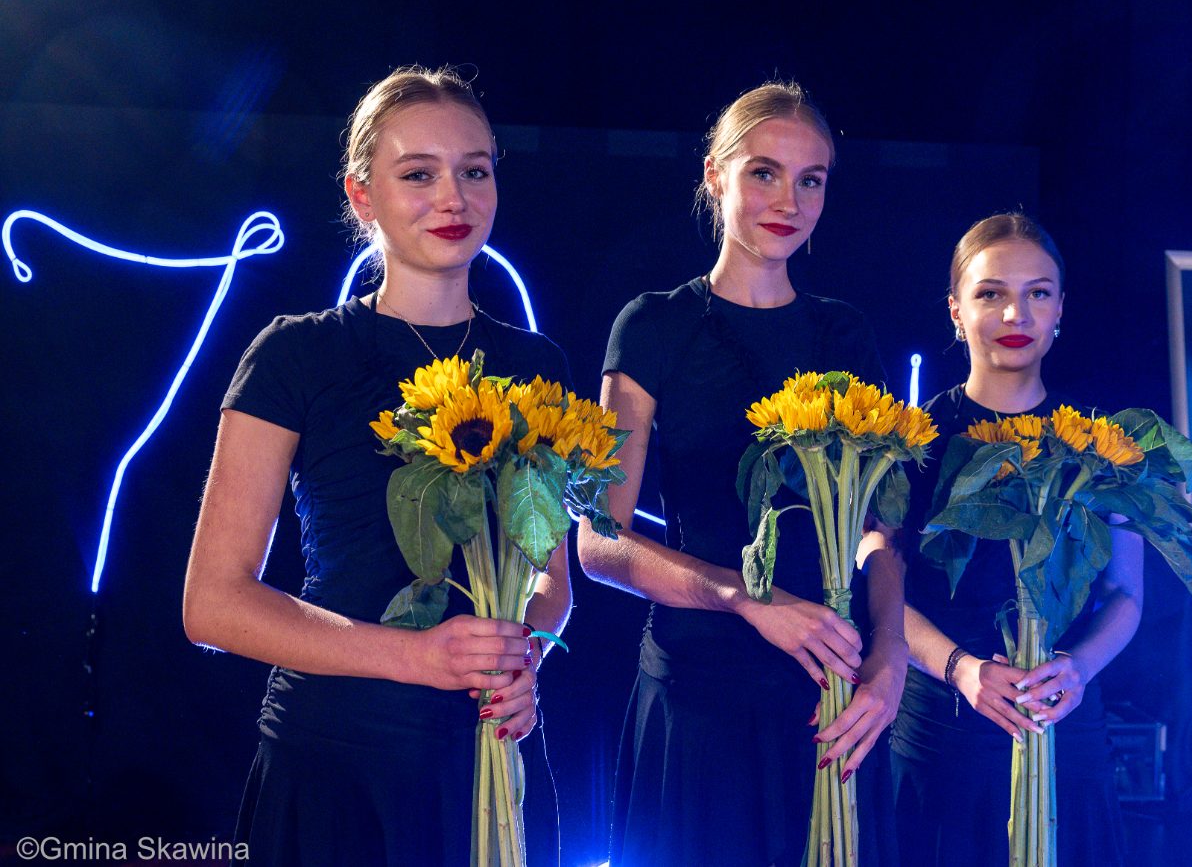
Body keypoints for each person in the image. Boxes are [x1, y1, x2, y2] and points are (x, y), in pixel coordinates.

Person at [183, 66, 571, 867]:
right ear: (361, 196)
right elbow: (212, 605)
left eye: (474, 171)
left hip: (482, 765)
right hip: (332, 769)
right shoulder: (296, 353)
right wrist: (417, 657)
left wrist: (524, 655)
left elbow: (553, 579)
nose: (453, 197)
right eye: (418, 174)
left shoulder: (538, 366)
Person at [577, 81, 908, 866]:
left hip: (832, 694)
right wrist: (747, 599)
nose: (788, 201)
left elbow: (880, 529)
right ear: (714, 176)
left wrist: (891, 657)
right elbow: (597, 540)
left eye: (810, 180)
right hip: (698, 695)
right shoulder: (654, 325)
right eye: (764, 172)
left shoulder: (844, 333)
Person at [892, 213, 1140, 866]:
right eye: (991, 293)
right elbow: (881, 589)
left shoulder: (1100, 440)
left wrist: (1079, 667)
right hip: (942, 732)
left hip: (1065, 727)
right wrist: (960, 669)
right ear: (956, 310)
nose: (1015, 313)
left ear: (1060, 309)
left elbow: (1127, 594)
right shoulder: (912, 440)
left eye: (1037, 293)